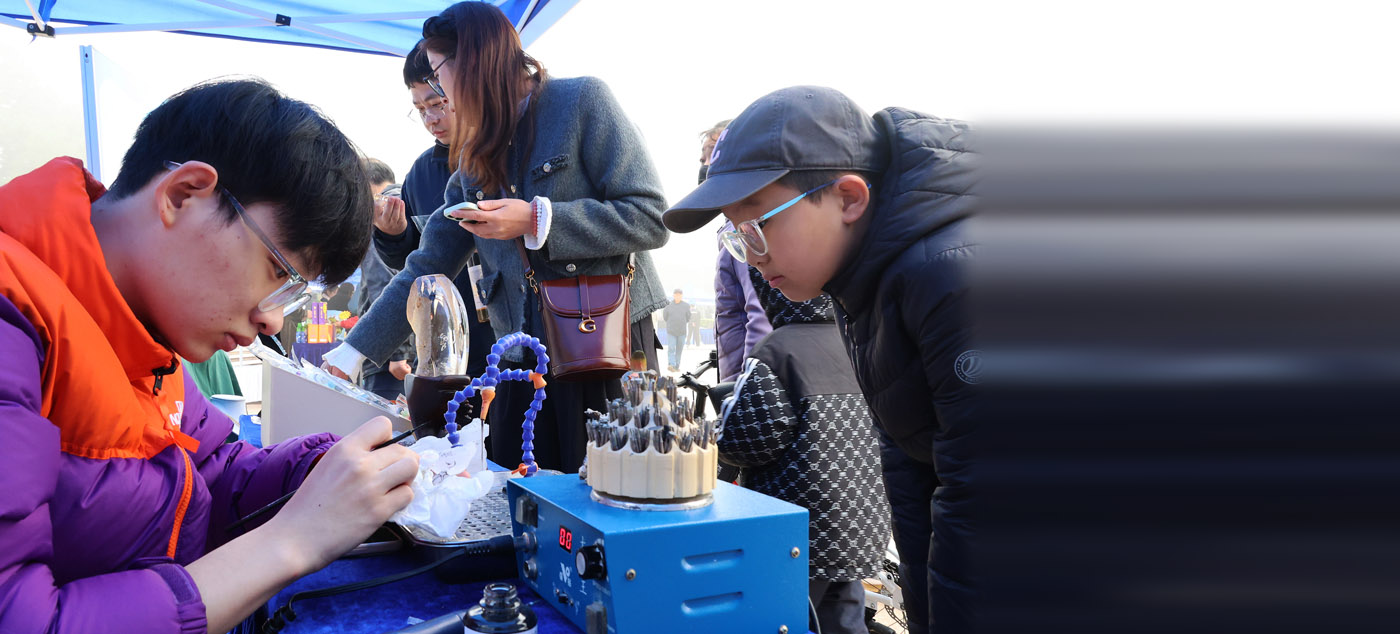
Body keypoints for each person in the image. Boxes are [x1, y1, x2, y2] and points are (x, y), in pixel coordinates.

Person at [0, 78, 419, 634]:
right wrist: (291, 541)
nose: (273, 320)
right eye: (278, 272)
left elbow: (212, 476)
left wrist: (328, 468)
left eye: (294, 296)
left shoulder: (141, 334)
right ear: (184, 194)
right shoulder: (13, 314)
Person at [663, 86, 975, 634]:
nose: (751, 258)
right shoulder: (859, 286)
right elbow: (910, 469)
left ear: (849, 198)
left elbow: (985, 500)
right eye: (736, 235)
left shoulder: (953, 279)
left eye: (758, 226)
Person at [325, 2, 670, 474]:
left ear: (473, 62)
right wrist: (351, 353)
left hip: (604, 344)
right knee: (517, 491)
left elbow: (650, 216)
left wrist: (537, 220)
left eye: (439, 76)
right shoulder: (473, 155)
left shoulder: (581, 101)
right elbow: (426, 265)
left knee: (609, 488)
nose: (441, 96)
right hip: (520, 359)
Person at [719, 268, 890, 634]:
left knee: (785, 618)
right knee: (844, 618)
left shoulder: (778, 350)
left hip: (800, 534)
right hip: (861, 524)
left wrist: (718, 432)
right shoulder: (859, 341)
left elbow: (746, 441)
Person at [351, 159, 416, 401]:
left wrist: (396, 353)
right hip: (412, 347)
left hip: (386, 356)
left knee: (387, 421)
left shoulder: (381, 212)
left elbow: (382, 281)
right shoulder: (410, 204)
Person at [662, 289, 692, 371]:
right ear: (673, 295)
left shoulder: (686, 306)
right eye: (676, 294)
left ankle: (676, 366)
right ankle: (671, 364)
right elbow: (665, 317)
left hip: (682, 331)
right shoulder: (668, 305)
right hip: (671, 331)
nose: (677, 296)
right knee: (671, 348)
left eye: (679, 295)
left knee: (679, 350)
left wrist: (682, 322)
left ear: (681, 296)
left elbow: (688, 317)